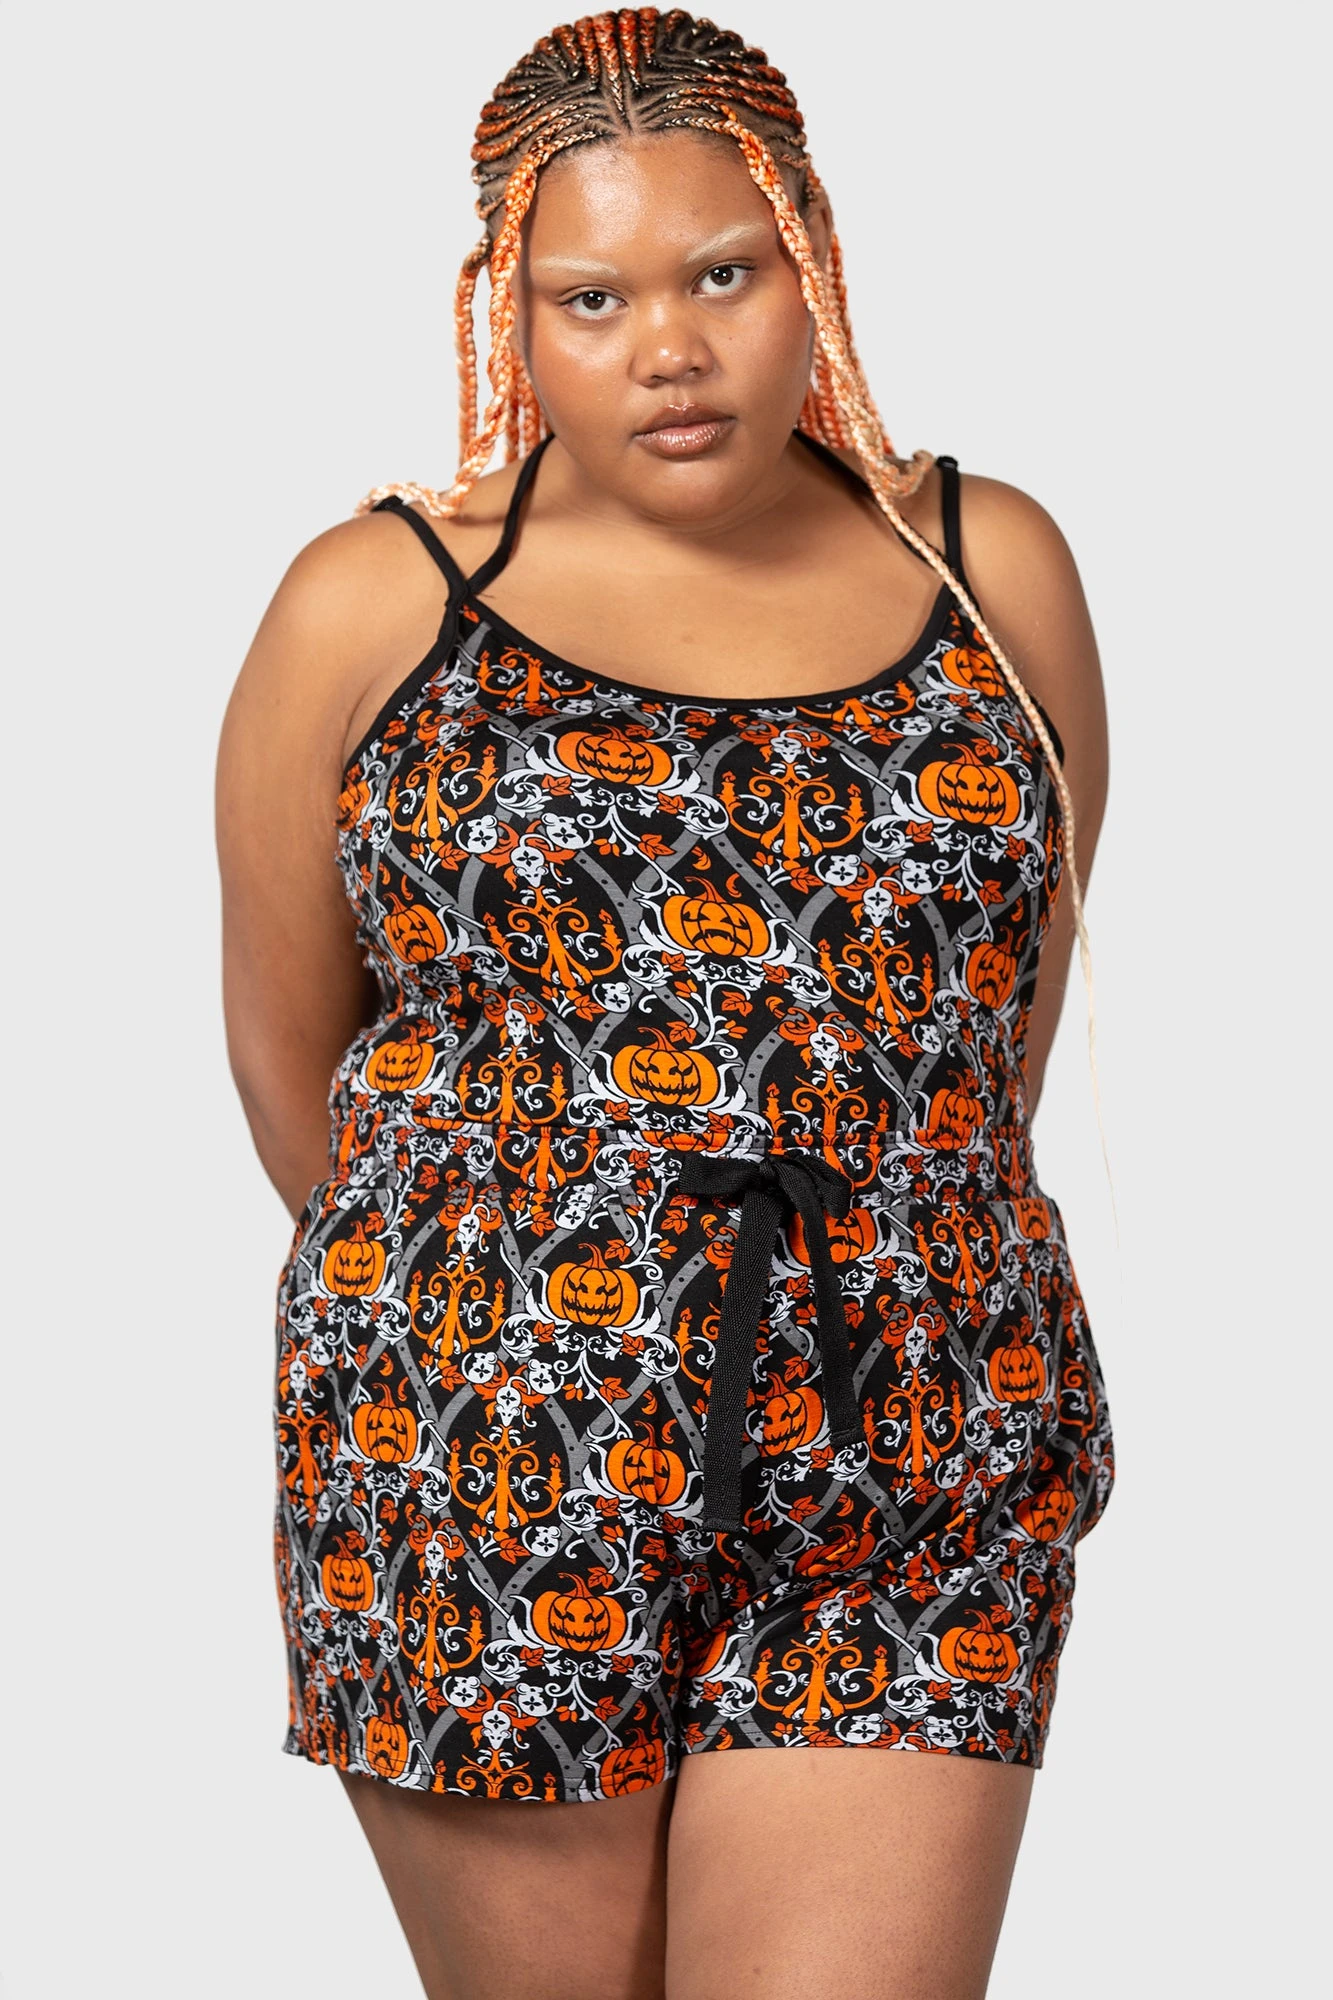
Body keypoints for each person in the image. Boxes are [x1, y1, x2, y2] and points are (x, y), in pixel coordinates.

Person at [216, 10, 1115, 1996]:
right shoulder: (370, 606)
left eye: (723, 273)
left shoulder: (990, 574)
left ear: (815, 255)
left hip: (921, 1436)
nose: (670, 348)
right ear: (509, 311)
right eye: (593, 297)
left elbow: (981, 1047)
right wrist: (540, 1278)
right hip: (494, 1449)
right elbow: (296, 1080)